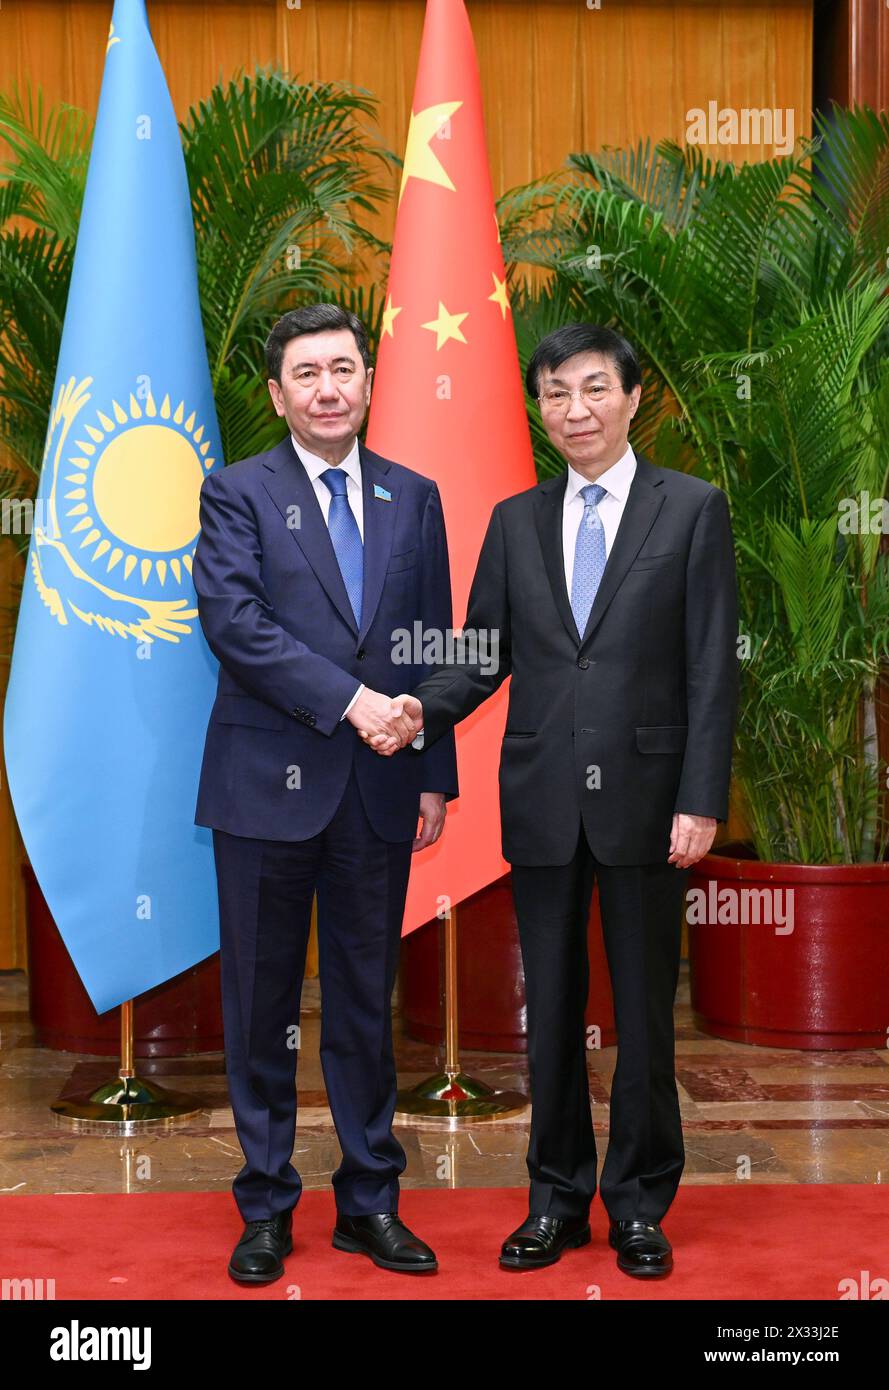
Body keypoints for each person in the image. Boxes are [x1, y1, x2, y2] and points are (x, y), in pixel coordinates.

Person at [363, 323, 738, 1278]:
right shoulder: (515, 521)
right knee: (552, 1014)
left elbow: (709, 670)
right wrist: (414, 707)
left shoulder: (690, 509)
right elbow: (479, 653)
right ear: (539, 409)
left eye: (593, 390)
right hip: (539, 802)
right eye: (556, 395)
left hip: (653, 807)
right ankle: (556, 1201)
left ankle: (641, 1205)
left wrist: (701, 799)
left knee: (647, 1018)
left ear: (631, 397)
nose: (575, 411)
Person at [192, 303, 455, 1284]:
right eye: (307, 374)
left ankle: (369, 1203)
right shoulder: (236, 493)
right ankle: (264, 1204)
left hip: (381, 792)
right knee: (259, 1005)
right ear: (278, 393)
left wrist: (432, 770)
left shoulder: (413, 495)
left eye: (343, 368)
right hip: (265, 786)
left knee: (361, 1003)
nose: (328, 388)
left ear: (369, 378)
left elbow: (432, 637)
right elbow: (237, 624)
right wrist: (352, 703)